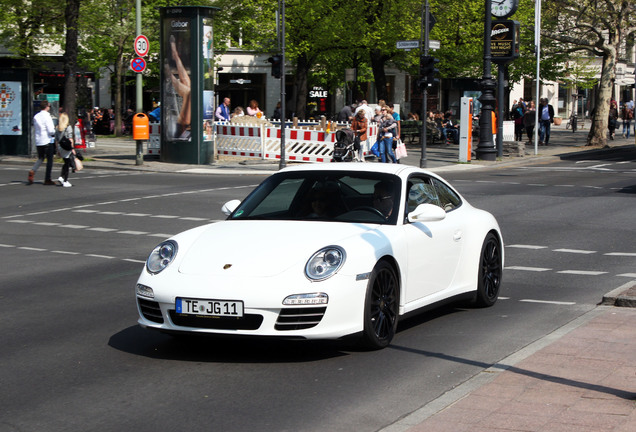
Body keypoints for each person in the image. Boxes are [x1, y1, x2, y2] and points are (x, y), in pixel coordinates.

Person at [164, 34, 191, 139]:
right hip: (185, 125)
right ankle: (175, 56)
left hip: (184, 125)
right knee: (188, 88)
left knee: (189, 90)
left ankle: (170, 73)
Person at [28, 100, 56, 185]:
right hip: (47, 140)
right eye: (49, 106)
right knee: (50, 160)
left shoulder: (36, 116)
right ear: (47, 107)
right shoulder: (47, 117)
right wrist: (55, 132)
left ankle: (33, 170)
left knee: (41, 158)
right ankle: (47, 179)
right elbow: (51, 130)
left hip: (38, 141)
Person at [55, 112, 75, 187]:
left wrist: (57, 150)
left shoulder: (57, 128)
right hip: (67, 146)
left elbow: (56, 140)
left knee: (66, 161)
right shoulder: (68, 127)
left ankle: (61, 177)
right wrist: (72, 148)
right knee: (67, 163)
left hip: (60, 146)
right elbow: (70, 139)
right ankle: (65, 180)